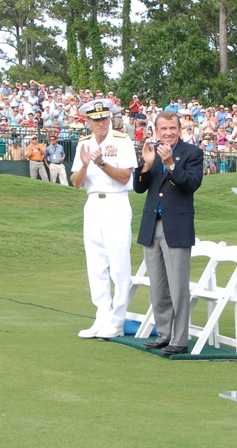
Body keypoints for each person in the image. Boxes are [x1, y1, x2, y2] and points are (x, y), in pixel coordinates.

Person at [132, 110, 204, 354]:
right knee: (159, 286)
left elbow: (192, 183)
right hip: (152, 226)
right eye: (163, 128)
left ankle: (180, 340)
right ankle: (164, 334)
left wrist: (171, 164)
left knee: (178, 287)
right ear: (156, 130)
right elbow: (139, 188)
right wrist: (147, 165)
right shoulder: (151, 152)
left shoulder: (192, 153)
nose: (168, 132)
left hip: (177, 226)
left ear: (179, 129)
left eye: (172, 128)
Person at [71, 99, 137, 340]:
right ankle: (102, 316)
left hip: (116, 202)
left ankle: (117, 320)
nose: (101, 123)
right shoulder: (84, 145)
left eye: (104, 118)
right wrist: (86, 165)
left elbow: (124, 177)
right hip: (93, 204)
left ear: (109, 118)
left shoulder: (122, 141)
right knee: (96, 263)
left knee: (119, 264)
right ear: (87, 121)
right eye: (96, 119)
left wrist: (101, 163)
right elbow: (76, 182)